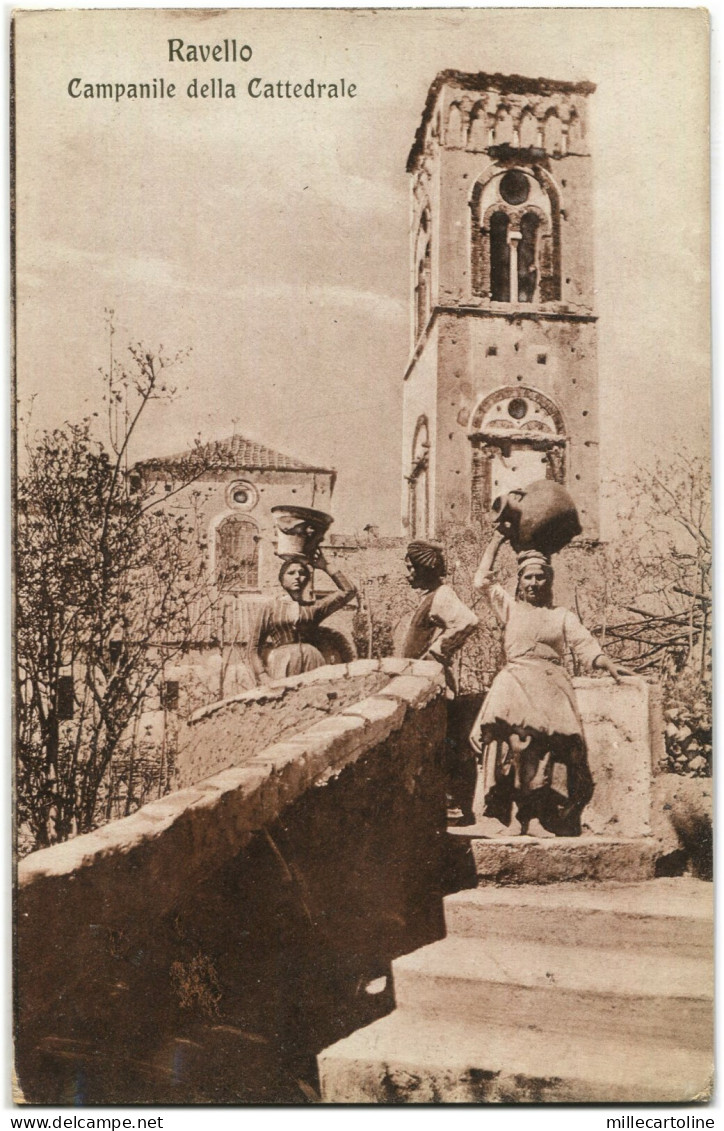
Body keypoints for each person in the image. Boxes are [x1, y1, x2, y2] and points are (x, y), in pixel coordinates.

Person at [470, 530, 628, 837]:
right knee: (514, 745)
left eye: (540, 577)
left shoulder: (561, 616)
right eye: (528, 577)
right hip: (514, 684)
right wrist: (497, 539)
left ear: (549, 581)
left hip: (549, 688)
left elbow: (585, 645)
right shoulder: (509, 608)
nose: (533, 583)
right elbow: (481, 582)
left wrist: (607, 663)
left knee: (546, 750)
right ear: (519, 581)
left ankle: (536, 818)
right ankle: (514, 816)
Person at [400, 540, 479, 823]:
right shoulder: (427, 598)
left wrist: (438, 651)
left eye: (411, 568)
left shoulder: (442, 595)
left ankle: (454, 806)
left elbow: (468, 621)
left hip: (435, 685)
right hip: (420, 683)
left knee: (444, 744)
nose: (408, 573)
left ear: (425, 569)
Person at [247, 551, 356, 684]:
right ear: (282, 579)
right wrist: (262, 674)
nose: (297, 577)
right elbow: (253, 647)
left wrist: (326, 566)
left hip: (313, 660)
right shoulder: (270, 608)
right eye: (291, 573)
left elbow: (349, 591)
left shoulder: (314, 607)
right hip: (282, 662)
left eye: (302, 573)